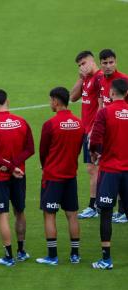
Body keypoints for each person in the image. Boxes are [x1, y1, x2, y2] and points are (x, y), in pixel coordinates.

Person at [0, 89, 34, 267]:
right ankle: (21, 251)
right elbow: (30, 149)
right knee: (19, 211)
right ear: (7, 101)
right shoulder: (22, 122)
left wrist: (9, 167)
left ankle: (8, 256)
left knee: (2, 214)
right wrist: (16, 166)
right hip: (19, 175)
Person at [36, 87, 83, 266]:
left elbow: (43, 151)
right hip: (70, 175)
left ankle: (52, 256)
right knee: (72, 215)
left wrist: (45, 165)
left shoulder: (50, 124)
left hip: (53, 176)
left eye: (50, 100)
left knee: (49, 215)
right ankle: (75, 255)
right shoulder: (79, 123)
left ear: (56, 101)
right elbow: (78, 148)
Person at [89, 79, 128, 270]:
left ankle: (106, 259)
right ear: (126, 93)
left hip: (110, 170)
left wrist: (94, 152)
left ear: (112, 93)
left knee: (105, 213)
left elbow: (95, 139)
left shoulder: (105, 112)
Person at [70, 51, 103, 219]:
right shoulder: (87, 79)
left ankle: (95, 206)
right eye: (79, 65)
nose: (82, 67)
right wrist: (81, 77)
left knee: (94, 168)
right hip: (87, 130)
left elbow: (102, 105)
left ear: (92, 61)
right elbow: (72, 97)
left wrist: (94, 130)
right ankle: (99, 205)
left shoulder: (99, 78)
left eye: (84, 63)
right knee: (94, 168)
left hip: (94, 131)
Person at [96, 49, 128, 223]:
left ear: (116, 62)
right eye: (105, 63)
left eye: (111, 62)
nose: (108, 66)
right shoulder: (100, 79)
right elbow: (101, 103)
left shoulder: (124, 81)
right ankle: (119, 210)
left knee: (120, 169)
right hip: (107, 132)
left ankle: (123, 210)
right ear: (100, 63)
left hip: (121, 133)